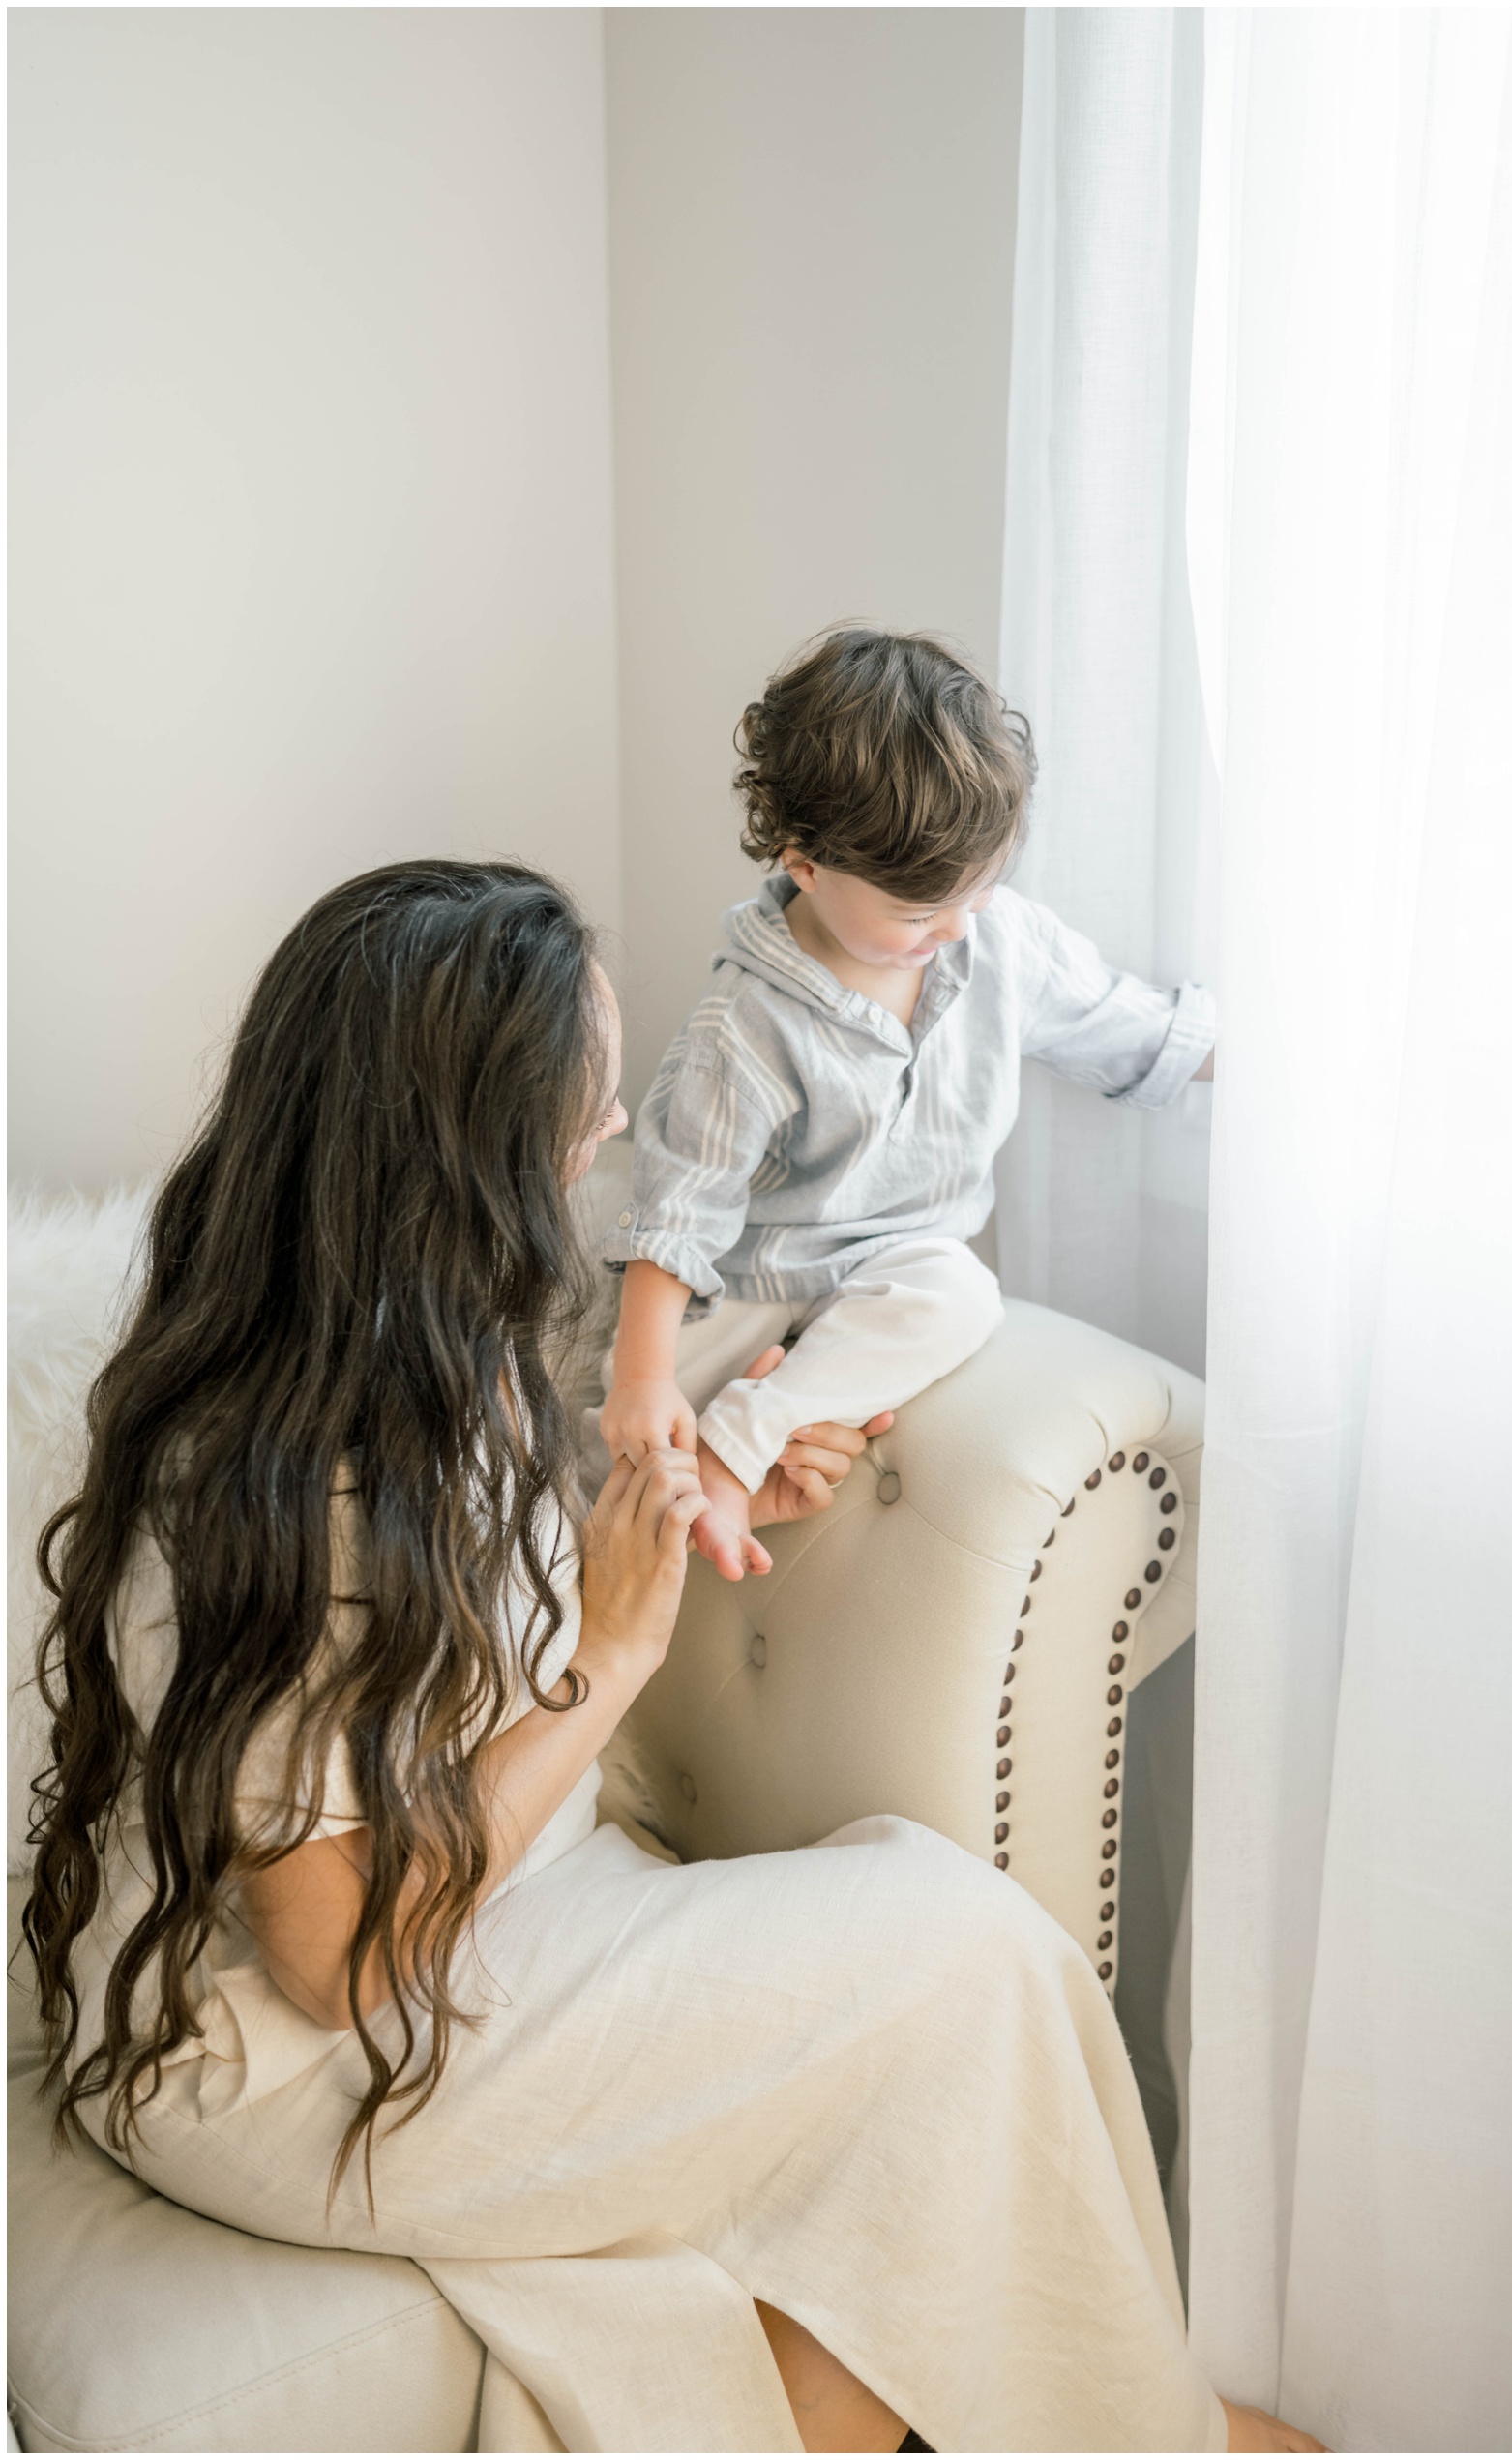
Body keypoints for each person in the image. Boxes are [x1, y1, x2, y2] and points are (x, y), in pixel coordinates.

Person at [25, 859, 1319, 2454]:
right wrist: (616, 1656)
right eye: (589, 1097)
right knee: (966, 1958)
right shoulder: (303, 1466)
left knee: (937, 1959)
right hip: (291, 2056)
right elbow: (333, 1958)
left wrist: (696, 1481)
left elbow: (443, 1617)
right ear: (475, 1139)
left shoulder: (408, 1328)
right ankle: (1149, 2429)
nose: (613, 1127)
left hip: (433, 1926)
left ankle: (1126, 2411)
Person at [598, 628, 1216, 1581]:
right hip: (752, 1276)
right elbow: (678, 1207)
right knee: (608, 1467)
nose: (954, 927)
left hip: (895, 1268)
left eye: (976, 892)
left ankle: (737, 1449)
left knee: (959, 1291)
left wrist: (1263, 1066)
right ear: (804, 865)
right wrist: (639, 1379)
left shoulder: (993, 941)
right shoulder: (747, 1020)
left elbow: (1116, 1023)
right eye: (916, 910)